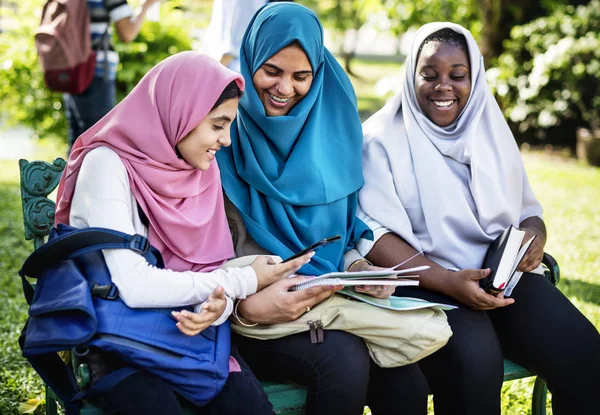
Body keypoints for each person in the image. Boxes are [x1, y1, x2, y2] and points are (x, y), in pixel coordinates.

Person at [357, 22, 600, 415]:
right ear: (410, 74)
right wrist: (448, 282)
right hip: (424, 281)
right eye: (429, 75)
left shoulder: (489, 126)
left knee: (584, 353)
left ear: (474, 77)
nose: (443, 87)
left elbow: (527, 211)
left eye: (458, 75)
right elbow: (374, 236)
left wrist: (534, 237)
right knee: (475, 366)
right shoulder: (379, 140)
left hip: (500, 277)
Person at [54, 51, 311, 415]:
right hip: (122, 345)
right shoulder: (107, 164)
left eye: (229, 126)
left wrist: (217, 307)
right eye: (218, 125)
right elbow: (135, 286)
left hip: (195, 345)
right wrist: (242, 281)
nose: (226, 140)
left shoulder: (200, 173)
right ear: (181, 112)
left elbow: (211, 275)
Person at [216, 4, 429, 415]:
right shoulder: (222, 137)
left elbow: (341, 236)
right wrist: (250, 303)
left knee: (406, 383)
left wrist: (360, 269)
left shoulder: (332, 135)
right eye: (271, 71)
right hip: (247, 316)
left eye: (301, 76)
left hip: (333, 304)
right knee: (343, 362)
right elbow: (196, 252)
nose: (284, 88)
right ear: (249, 62)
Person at [64, 0, 162, 152]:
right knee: (99, 140)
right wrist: (145, 7)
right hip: (95, 72)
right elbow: (127, 33)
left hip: (70, 70)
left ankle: (71, 175)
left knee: (77, 140)